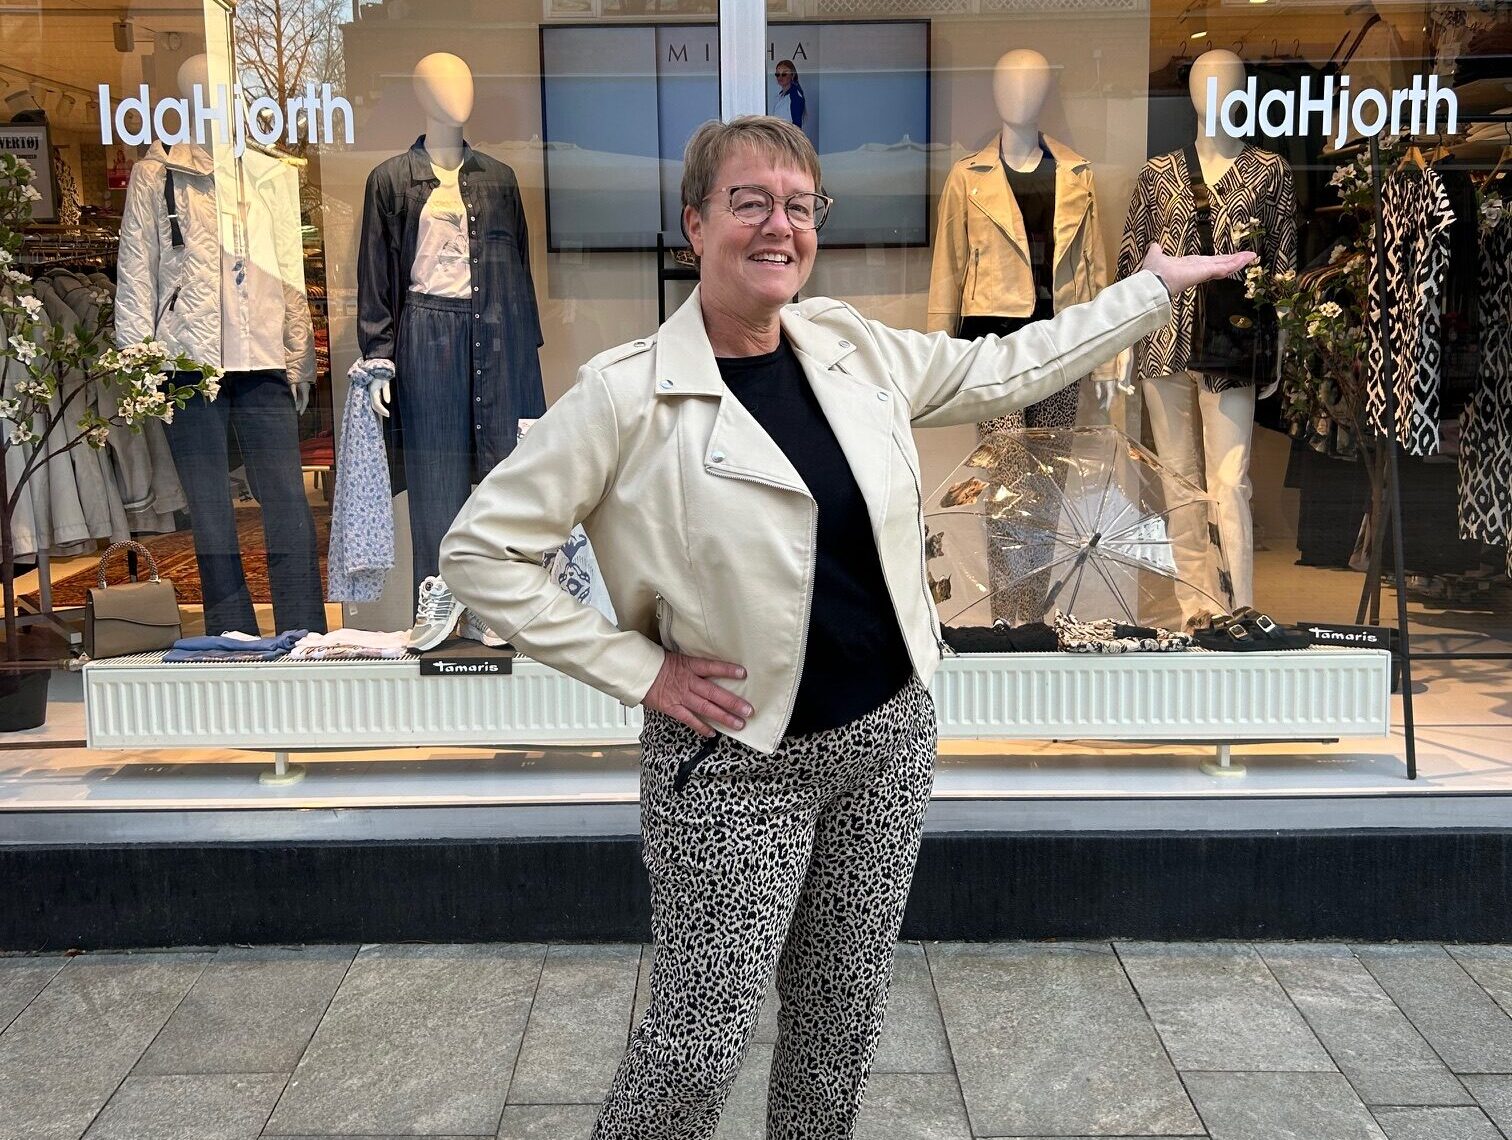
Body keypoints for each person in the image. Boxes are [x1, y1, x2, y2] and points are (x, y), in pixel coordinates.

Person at [440, 115, 1253, 1139]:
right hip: (735, 763)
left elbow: (1007, 368)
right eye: (749, 202)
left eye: (798, 205)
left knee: (839, 1028)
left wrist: (1148, 291)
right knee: (695, 1052)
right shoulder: (626, 393)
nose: (778, 226)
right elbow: (479, 553)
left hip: (887, 743)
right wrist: (640, 671)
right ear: (695, 223)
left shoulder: (847, 347)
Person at [773, 59, 806, 130]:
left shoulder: (795, 96)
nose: (780, 77)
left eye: (784, 74)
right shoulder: (779, 96)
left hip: (788, 135)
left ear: (792, 75)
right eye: (777, 74)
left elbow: (797, 126)